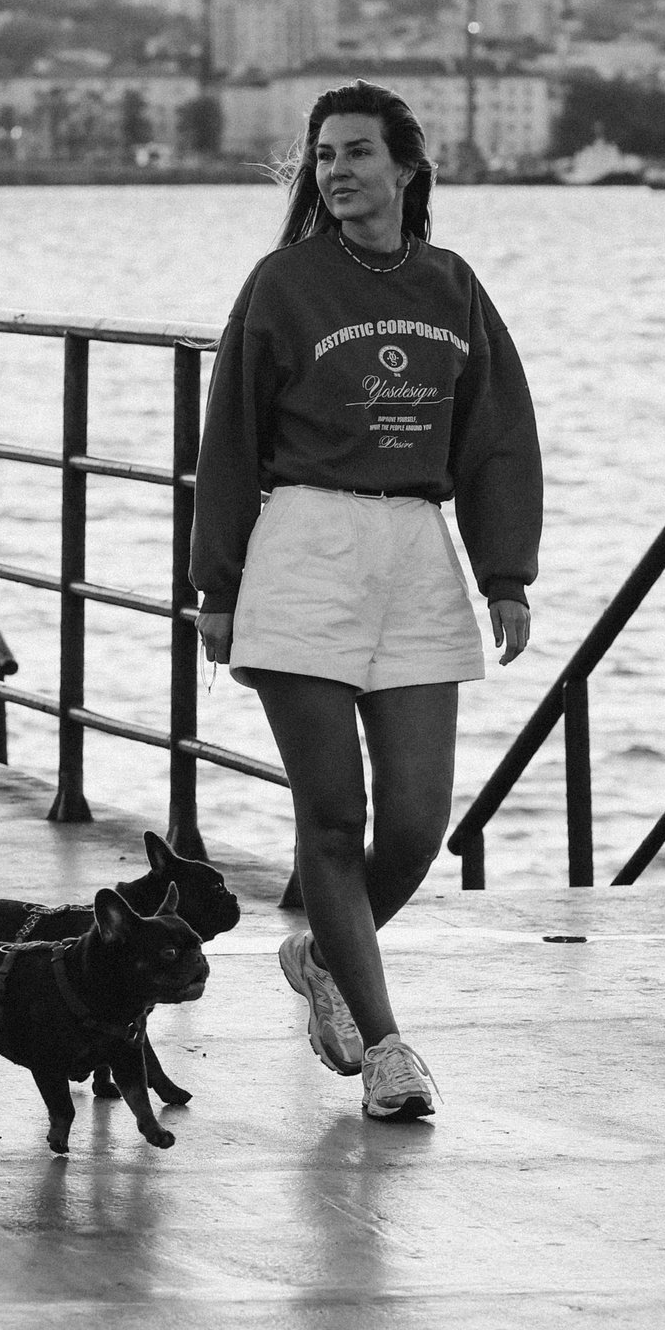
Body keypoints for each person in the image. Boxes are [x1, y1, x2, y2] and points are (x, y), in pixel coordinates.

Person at [191, 83, 541, 1121]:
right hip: (304, 548)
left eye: (356, 153)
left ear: (407, 169)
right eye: (324, 156)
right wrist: (217, 585)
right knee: (334, 817)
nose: (336, 171)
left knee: (420, 823)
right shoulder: (284, 284)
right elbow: (230, 437)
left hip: (418, 552)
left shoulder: (451, 285)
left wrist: (506, 574)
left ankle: (323, 958)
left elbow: (496, 436)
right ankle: (387, 1050)